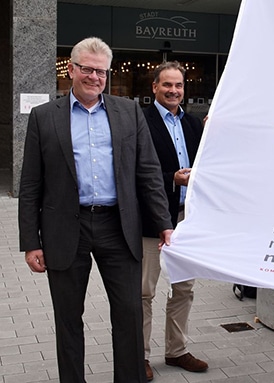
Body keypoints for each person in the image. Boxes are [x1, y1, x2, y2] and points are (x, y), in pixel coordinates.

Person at [19, 37, 173, 383]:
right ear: (71, 69)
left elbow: (147, 171)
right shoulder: (45, 117)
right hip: (64, 230)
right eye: (87, 69)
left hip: (118, 226)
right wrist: (31, 241)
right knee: (69, 318)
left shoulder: (128, 111)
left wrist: (163, 222)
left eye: (101, 71)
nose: (94, 77)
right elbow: (30, 184)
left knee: (130, 313)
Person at [141, 61, 207, 380]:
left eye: (178, 86)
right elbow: (137, 172)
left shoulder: (194, 125)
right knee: (144, 290)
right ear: (154, 87)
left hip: (187, 220)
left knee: (184, 289)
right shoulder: (140, 121)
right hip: (153, 218)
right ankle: (139, 356)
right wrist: (173, 180)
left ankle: (177, 350)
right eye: (167, 85)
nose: (173, 91)